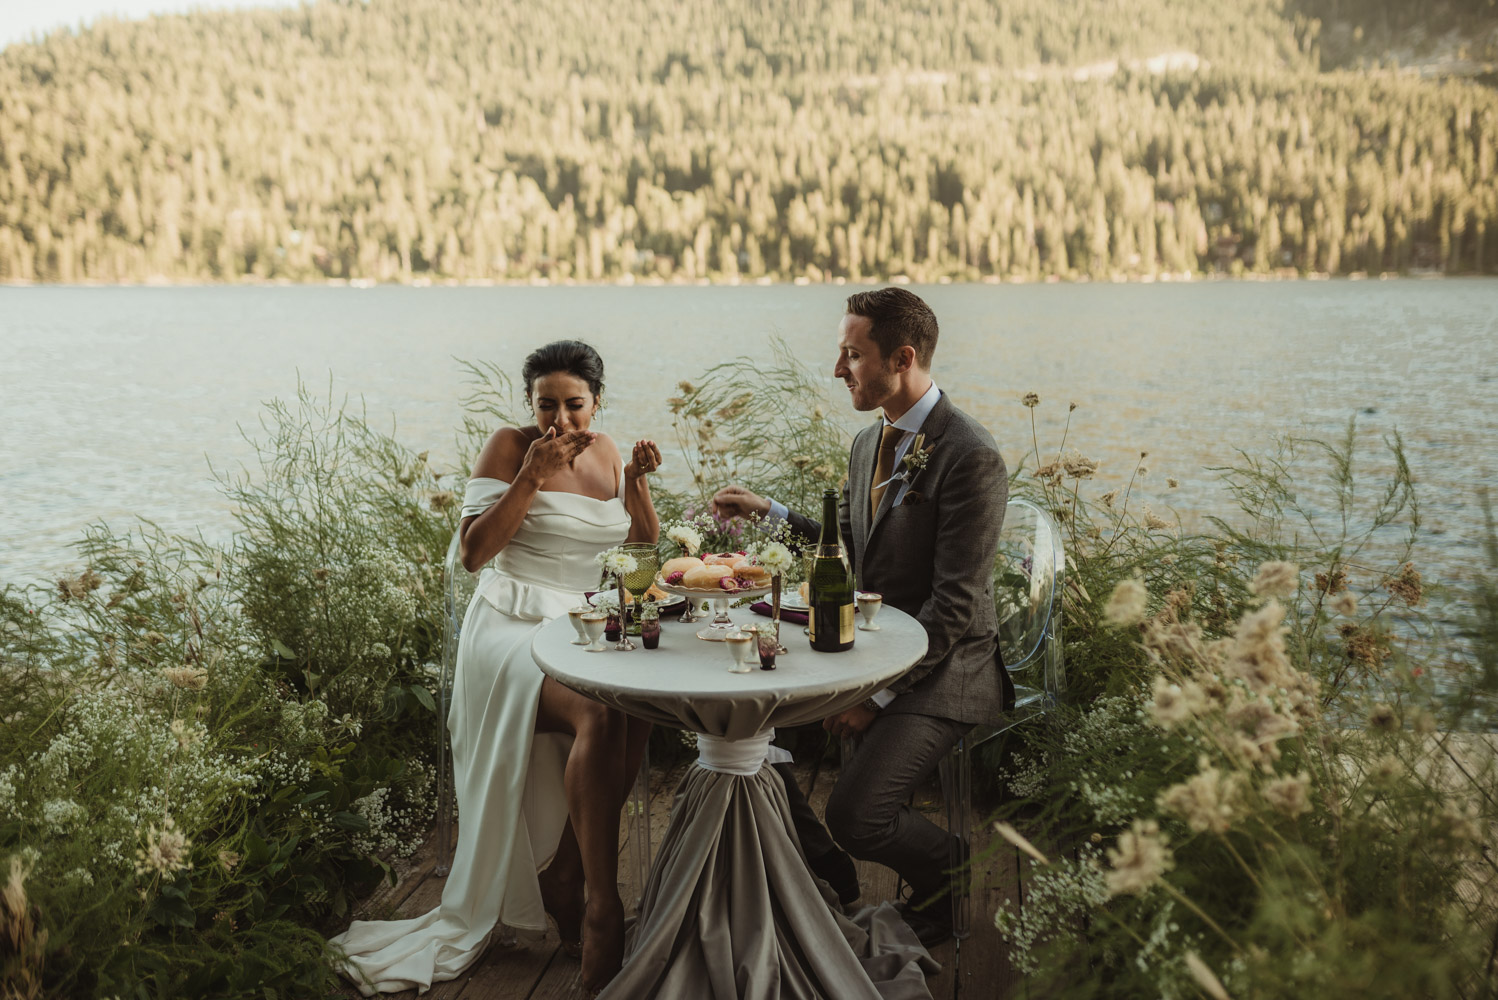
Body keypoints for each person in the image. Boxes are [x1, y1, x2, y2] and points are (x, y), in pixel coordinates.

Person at [331, 340, 661, 994]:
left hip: (579, 621)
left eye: (573, 405)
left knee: (637, 707)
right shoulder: (510, 449)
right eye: (546, 405)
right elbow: (475, 552)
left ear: (597, 403)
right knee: (598, 707)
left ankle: (565, 874)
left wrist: (639, 484)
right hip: (509, 624)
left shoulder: (606, 450)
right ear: (529, 404)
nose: (559, 422)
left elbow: (641, 548)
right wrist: (530, 477)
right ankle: (602, 907)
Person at [712, 287, 1012, 947]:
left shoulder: (971, 458)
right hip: (876, 650)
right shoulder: (865, 444)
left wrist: (873, 698)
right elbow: (855, 546)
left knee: (858, 816)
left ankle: (949, 866)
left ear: (902, 358)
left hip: (947, 669)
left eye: (852, 354)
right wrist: (773, 513)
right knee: (753, 723)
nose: (838, 368)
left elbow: (955, 605)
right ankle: (824, 871)